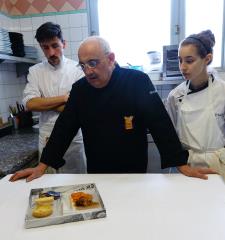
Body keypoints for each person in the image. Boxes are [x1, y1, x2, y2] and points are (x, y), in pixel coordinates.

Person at [10, 36, 215, 182]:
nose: (88, 71)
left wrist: (181, 164)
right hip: (98, 171)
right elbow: (64, 129)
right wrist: (42, 165)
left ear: (110, 59)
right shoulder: (80, 90)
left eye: (93, 63)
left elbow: (160, 123)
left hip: (133, 170)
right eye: (83, 65)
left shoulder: (137, 82)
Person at [21, 22, 86, 173]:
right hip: (46, 137)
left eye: (55, 45)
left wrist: (44, 102)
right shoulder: (35, 71)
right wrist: (65, 98)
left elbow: (79, 108)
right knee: (49, 187)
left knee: (77, 184)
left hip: (73, 140)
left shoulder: (78, 70)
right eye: (45, 47)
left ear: (64, 44)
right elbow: (30, 104)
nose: (51, 52)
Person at [166, 30, 225, 177]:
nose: (183, 67)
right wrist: (180, 164)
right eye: (180, 60)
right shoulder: (175, 96)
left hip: (217, 165)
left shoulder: (222, 92)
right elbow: (169, 136)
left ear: (207, 59)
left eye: (189, 60)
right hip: (186, 166)